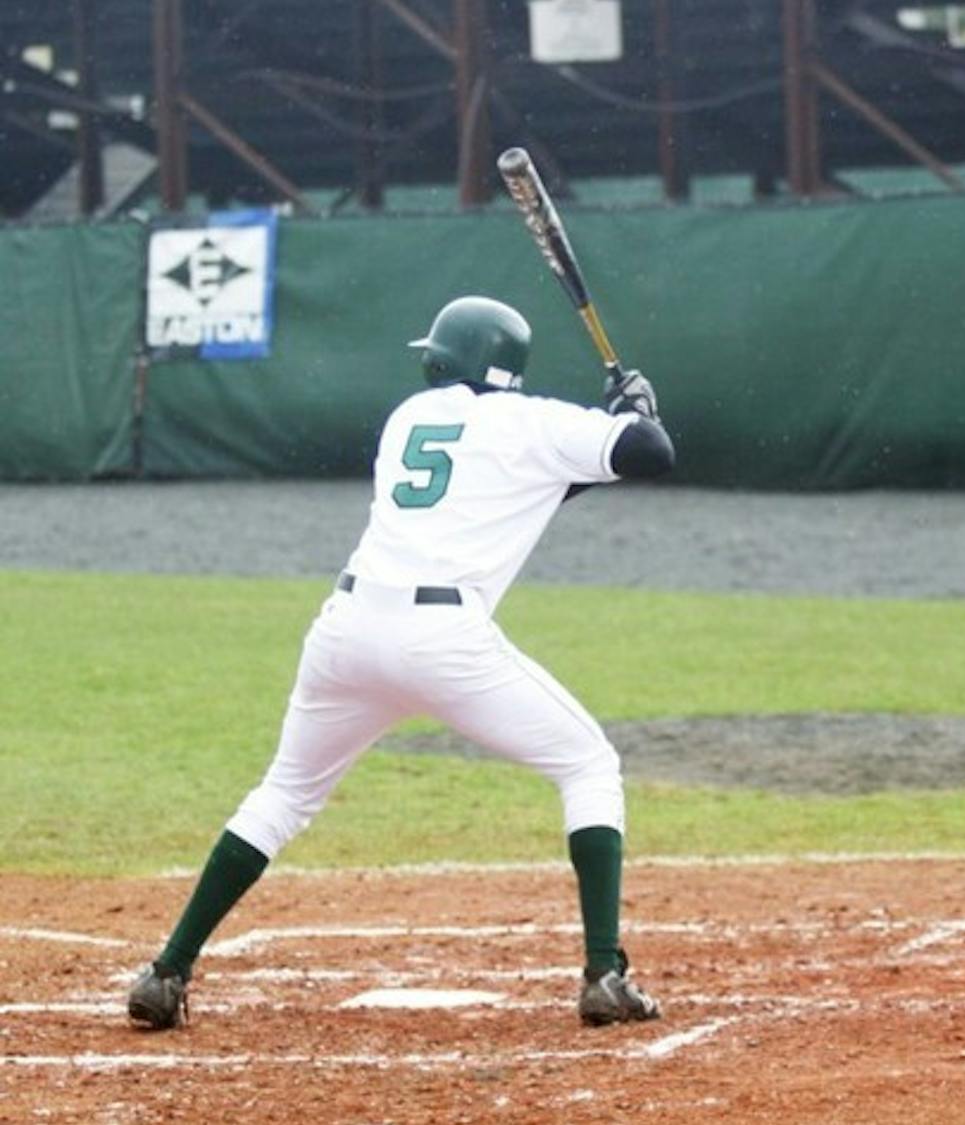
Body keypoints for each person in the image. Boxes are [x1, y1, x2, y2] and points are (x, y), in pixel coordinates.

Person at [126, 295, 675, 1029]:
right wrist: (635, 417)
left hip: (347, 630)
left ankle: (167, 971)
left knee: (283, 795)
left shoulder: (409, 419)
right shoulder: (535, 422)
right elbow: (650, 456)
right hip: (444, 641)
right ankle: (605, 973)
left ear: (448, 358)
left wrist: (618, 425)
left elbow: (526, 480)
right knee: (588, 766)